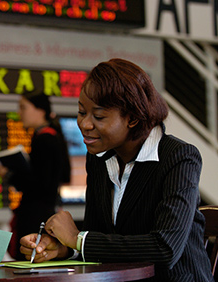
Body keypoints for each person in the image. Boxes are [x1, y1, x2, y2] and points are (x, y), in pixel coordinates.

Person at [19, 59, 214, 281]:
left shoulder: (179, 157)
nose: (84, 124)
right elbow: (99, 237)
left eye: (99, 116)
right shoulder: (99, 160)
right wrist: (65, 249)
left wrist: (78, 239)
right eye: (82, 112)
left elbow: (165, 248)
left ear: (132, 118)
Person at [0, 91, 71, 260]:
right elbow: (63, 176)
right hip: (48, 211)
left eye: (23, 107)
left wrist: (10, 174)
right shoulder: (55, 135)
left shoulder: (44, 139)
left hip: (34, 216)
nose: (19, 113)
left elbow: (40, 184)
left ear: (40, 110)